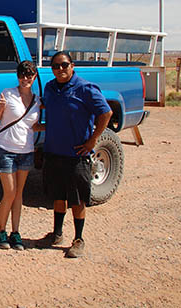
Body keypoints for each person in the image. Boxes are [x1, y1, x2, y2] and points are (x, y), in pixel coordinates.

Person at [40, 51, 112, 258]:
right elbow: (47, 107)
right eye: (55, 66)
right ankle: (57, 234)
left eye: (64, 65)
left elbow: (105, 113)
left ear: (72, 66)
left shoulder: (85, 88)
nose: (60, 70)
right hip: (53, 151)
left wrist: (93, 140)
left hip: (76, 154)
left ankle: (78, 239)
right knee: (57, 195)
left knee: (77, 198)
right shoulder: (50, 88)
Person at [0, 60, 40, 250]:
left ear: (34, 77)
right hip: (5, 149)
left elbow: (33, 126)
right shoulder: (7, 94)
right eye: (22, 75)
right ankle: (1, 231)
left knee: (19, 194)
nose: (25, 78)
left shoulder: (37, 100)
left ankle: (15, 232)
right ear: (17, 76)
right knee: (9, 192)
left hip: (25, 150)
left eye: (29, 75)